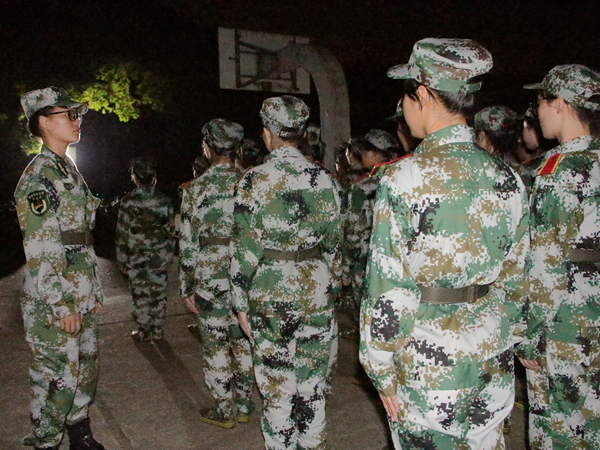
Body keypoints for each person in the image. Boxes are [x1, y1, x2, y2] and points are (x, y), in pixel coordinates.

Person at [359, 38, 530, 449]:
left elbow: (390, 287)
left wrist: (379, 366)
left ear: (421, 95)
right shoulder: (507, 177)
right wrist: (508, 335)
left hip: (428, 363)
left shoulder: (405, 178)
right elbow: (517, 275)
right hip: (491, 355)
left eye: (406, 97)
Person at [230, 95, 342, 450]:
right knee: (313, 385)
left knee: (278, 387)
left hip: (270, 289)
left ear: (267, 132)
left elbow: (244, 247)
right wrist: (331, 289)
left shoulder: (254, 180)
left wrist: (240, 301)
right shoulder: (326, 180)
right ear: (302, 133)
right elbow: (335, 246)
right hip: (316, 287)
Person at [14, 87, 107, 450]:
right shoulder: (38, 178)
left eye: (76, 114)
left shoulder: (68, 169)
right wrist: (61, 303)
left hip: (78, 291)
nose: (76, 120)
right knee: (56, 379)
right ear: (43, 122)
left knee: (83, 371)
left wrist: (91, 289)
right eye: (67, 114)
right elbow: (42, 246)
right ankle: (46, 441)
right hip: (54, 298)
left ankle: (80, 434)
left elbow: (80, 239)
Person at [515, 64, 600, 450]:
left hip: (566, 320)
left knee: (559, 431)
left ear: (560, 105)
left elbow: (546, 264)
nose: (537, 114)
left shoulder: (558, 171)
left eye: (540, 104)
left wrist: (529, 334)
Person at [179, 118, 256, 429]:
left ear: (206, 148)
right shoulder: (253, 183)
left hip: (209, 277)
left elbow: (187, 242)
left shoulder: (195, 188)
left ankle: (224, 407)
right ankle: (244, 401)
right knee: (244, 339)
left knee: (215, 342)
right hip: (246, 274)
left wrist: (186, 285)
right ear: (238, 148)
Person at [115, 157, 176, 342]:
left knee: (140, 293)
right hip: (159, 254)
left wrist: (121, 259)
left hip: (137, 255)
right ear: (154, 177)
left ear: (134, 177)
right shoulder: (164, 201)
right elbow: (170, 230)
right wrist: (169, 253)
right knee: (158, 293)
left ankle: (144, 330)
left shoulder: (128, 201)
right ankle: (157, 330)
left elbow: (122, 233)